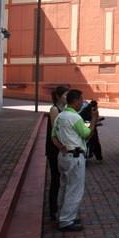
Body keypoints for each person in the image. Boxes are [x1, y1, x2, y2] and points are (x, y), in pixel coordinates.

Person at [51, 89, 98, 232]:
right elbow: (87, 134)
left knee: (64, 186)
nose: (82, 103)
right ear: (76, 101)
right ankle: (67, 220)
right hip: (75, 157)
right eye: (81, 101)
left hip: (64, 155)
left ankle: (62, 215)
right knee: (74, 189)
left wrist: (61, 147)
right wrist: (94, 119)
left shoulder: (60, 116)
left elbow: (53, 136)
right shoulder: (75, 118)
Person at [45, 86, 68, 220]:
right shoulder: (54, 109)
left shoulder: (65, 109)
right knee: (56, 179)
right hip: (54, 148)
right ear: (58, 96)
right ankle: (53, 209)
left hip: (60, 147)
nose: (67, 97)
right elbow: (56, 129)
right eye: (65, 95)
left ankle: (60, 207)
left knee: (61, 179)